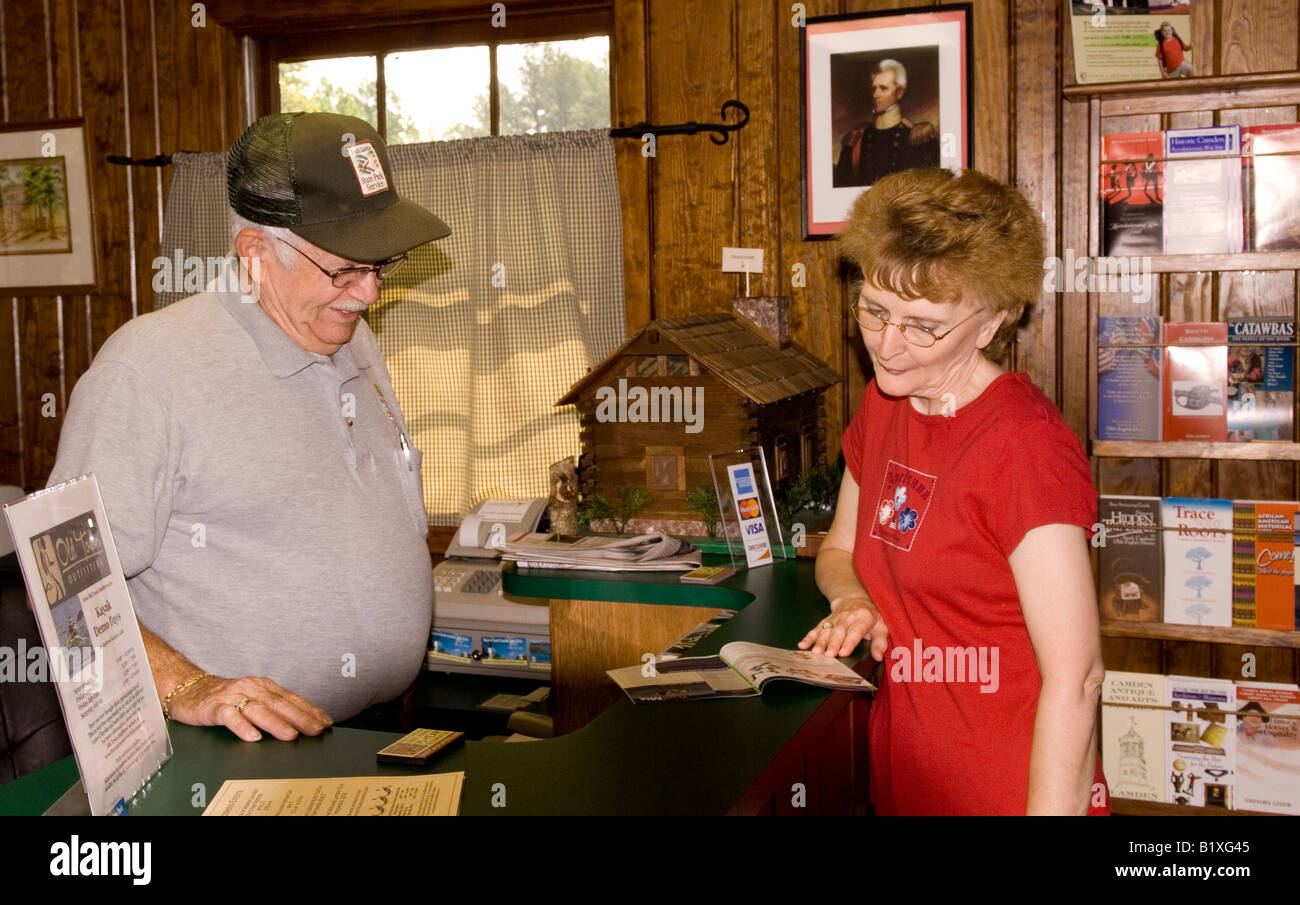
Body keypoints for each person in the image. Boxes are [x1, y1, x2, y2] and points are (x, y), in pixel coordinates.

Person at [48, 112, 451, 741]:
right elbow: (63, 581)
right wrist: (187, 687)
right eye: (344, 268)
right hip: (223, 750)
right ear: (256, 254)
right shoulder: (147, 369)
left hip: (371, 733)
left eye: (381, 263)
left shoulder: (349, 334)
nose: (368, 292)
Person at [798, 167, 1109, 815]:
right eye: (875, 311)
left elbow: (1076, 678)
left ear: (992, 322)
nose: (887, 344)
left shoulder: (1025, 447)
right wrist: (854, 598)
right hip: (910, 776)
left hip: (1006, 788)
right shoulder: (887, 404)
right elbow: (840, 547)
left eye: (922, 326)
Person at [833, 59, 939, 188]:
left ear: (899, 92)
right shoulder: (856, 138)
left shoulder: (919, 138)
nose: (876, 95)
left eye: (883, 88)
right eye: (874, 89)